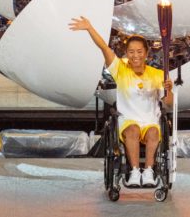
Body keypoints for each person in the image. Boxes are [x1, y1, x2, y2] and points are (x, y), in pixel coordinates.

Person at [69, 16, 173, 188]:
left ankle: (148, 171)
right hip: (128, 120)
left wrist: (169, 90)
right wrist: (89, 28)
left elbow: (168, 104)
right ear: (126, 53)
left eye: (139, 51)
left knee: (154, 132)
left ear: (146, 53)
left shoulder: (158, 74)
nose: (135, 55)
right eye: (131, 52)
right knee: (133, 130)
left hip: (150, 120)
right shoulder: (120, 70)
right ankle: (134, 172)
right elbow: (104, 47)